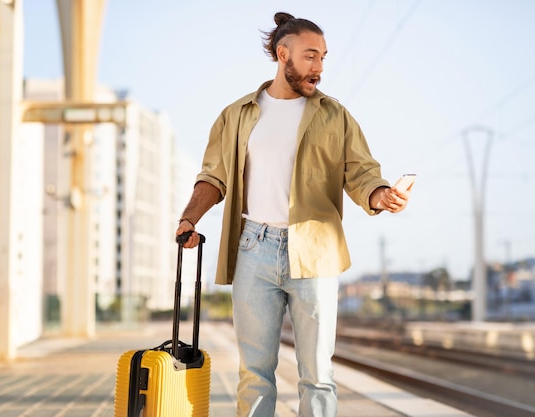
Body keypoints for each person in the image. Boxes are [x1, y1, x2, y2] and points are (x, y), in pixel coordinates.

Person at [176, 11, 412, 417]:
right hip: (254, 247)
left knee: (318, 374)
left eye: (323, 57)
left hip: (316, 251)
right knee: (255, 373)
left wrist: (380, 195)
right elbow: (214, 176)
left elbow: (360, 172)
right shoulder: (237, 115)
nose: (318, 67)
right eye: (310, 56)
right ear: (282, 55)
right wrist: (189, 219)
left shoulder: (335, 116)